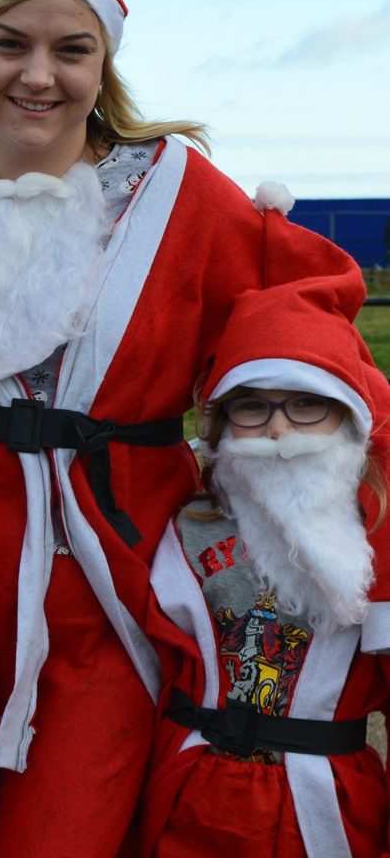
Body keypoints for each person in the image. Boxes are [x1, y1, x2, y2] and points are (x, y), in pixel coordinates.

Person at [0, 0, 371, 857]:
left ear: (104, 62)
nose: (37, 76)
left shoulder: (182, 194)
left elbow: (310, 302)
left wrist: (288, 439)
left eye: (71, 49)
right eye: (8, 44)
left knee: (68, 830)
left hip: (119, 585)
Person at [142, 277, 390, 858]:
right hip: (190, 797)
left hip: (327, 805)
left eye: (306, 404)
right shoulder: (183, 529)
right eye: (253, 406)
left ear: (348, 417)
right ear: (222, 425)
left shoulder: (378, 536)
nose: (279, 431)